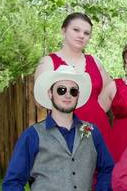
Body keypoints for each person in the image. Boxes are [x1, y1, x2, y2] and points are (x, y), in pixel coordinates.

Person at [35, 12, 112, 142]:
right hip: (65, 129)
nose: (81, 35)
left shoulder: (95, 61)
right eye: (76, 30)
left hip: (99, 128)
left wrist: (96, 109)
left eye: (86, 33)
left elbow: (111, 92)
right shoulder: (48, 62)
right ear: (63, 30)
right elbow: (40, 100)